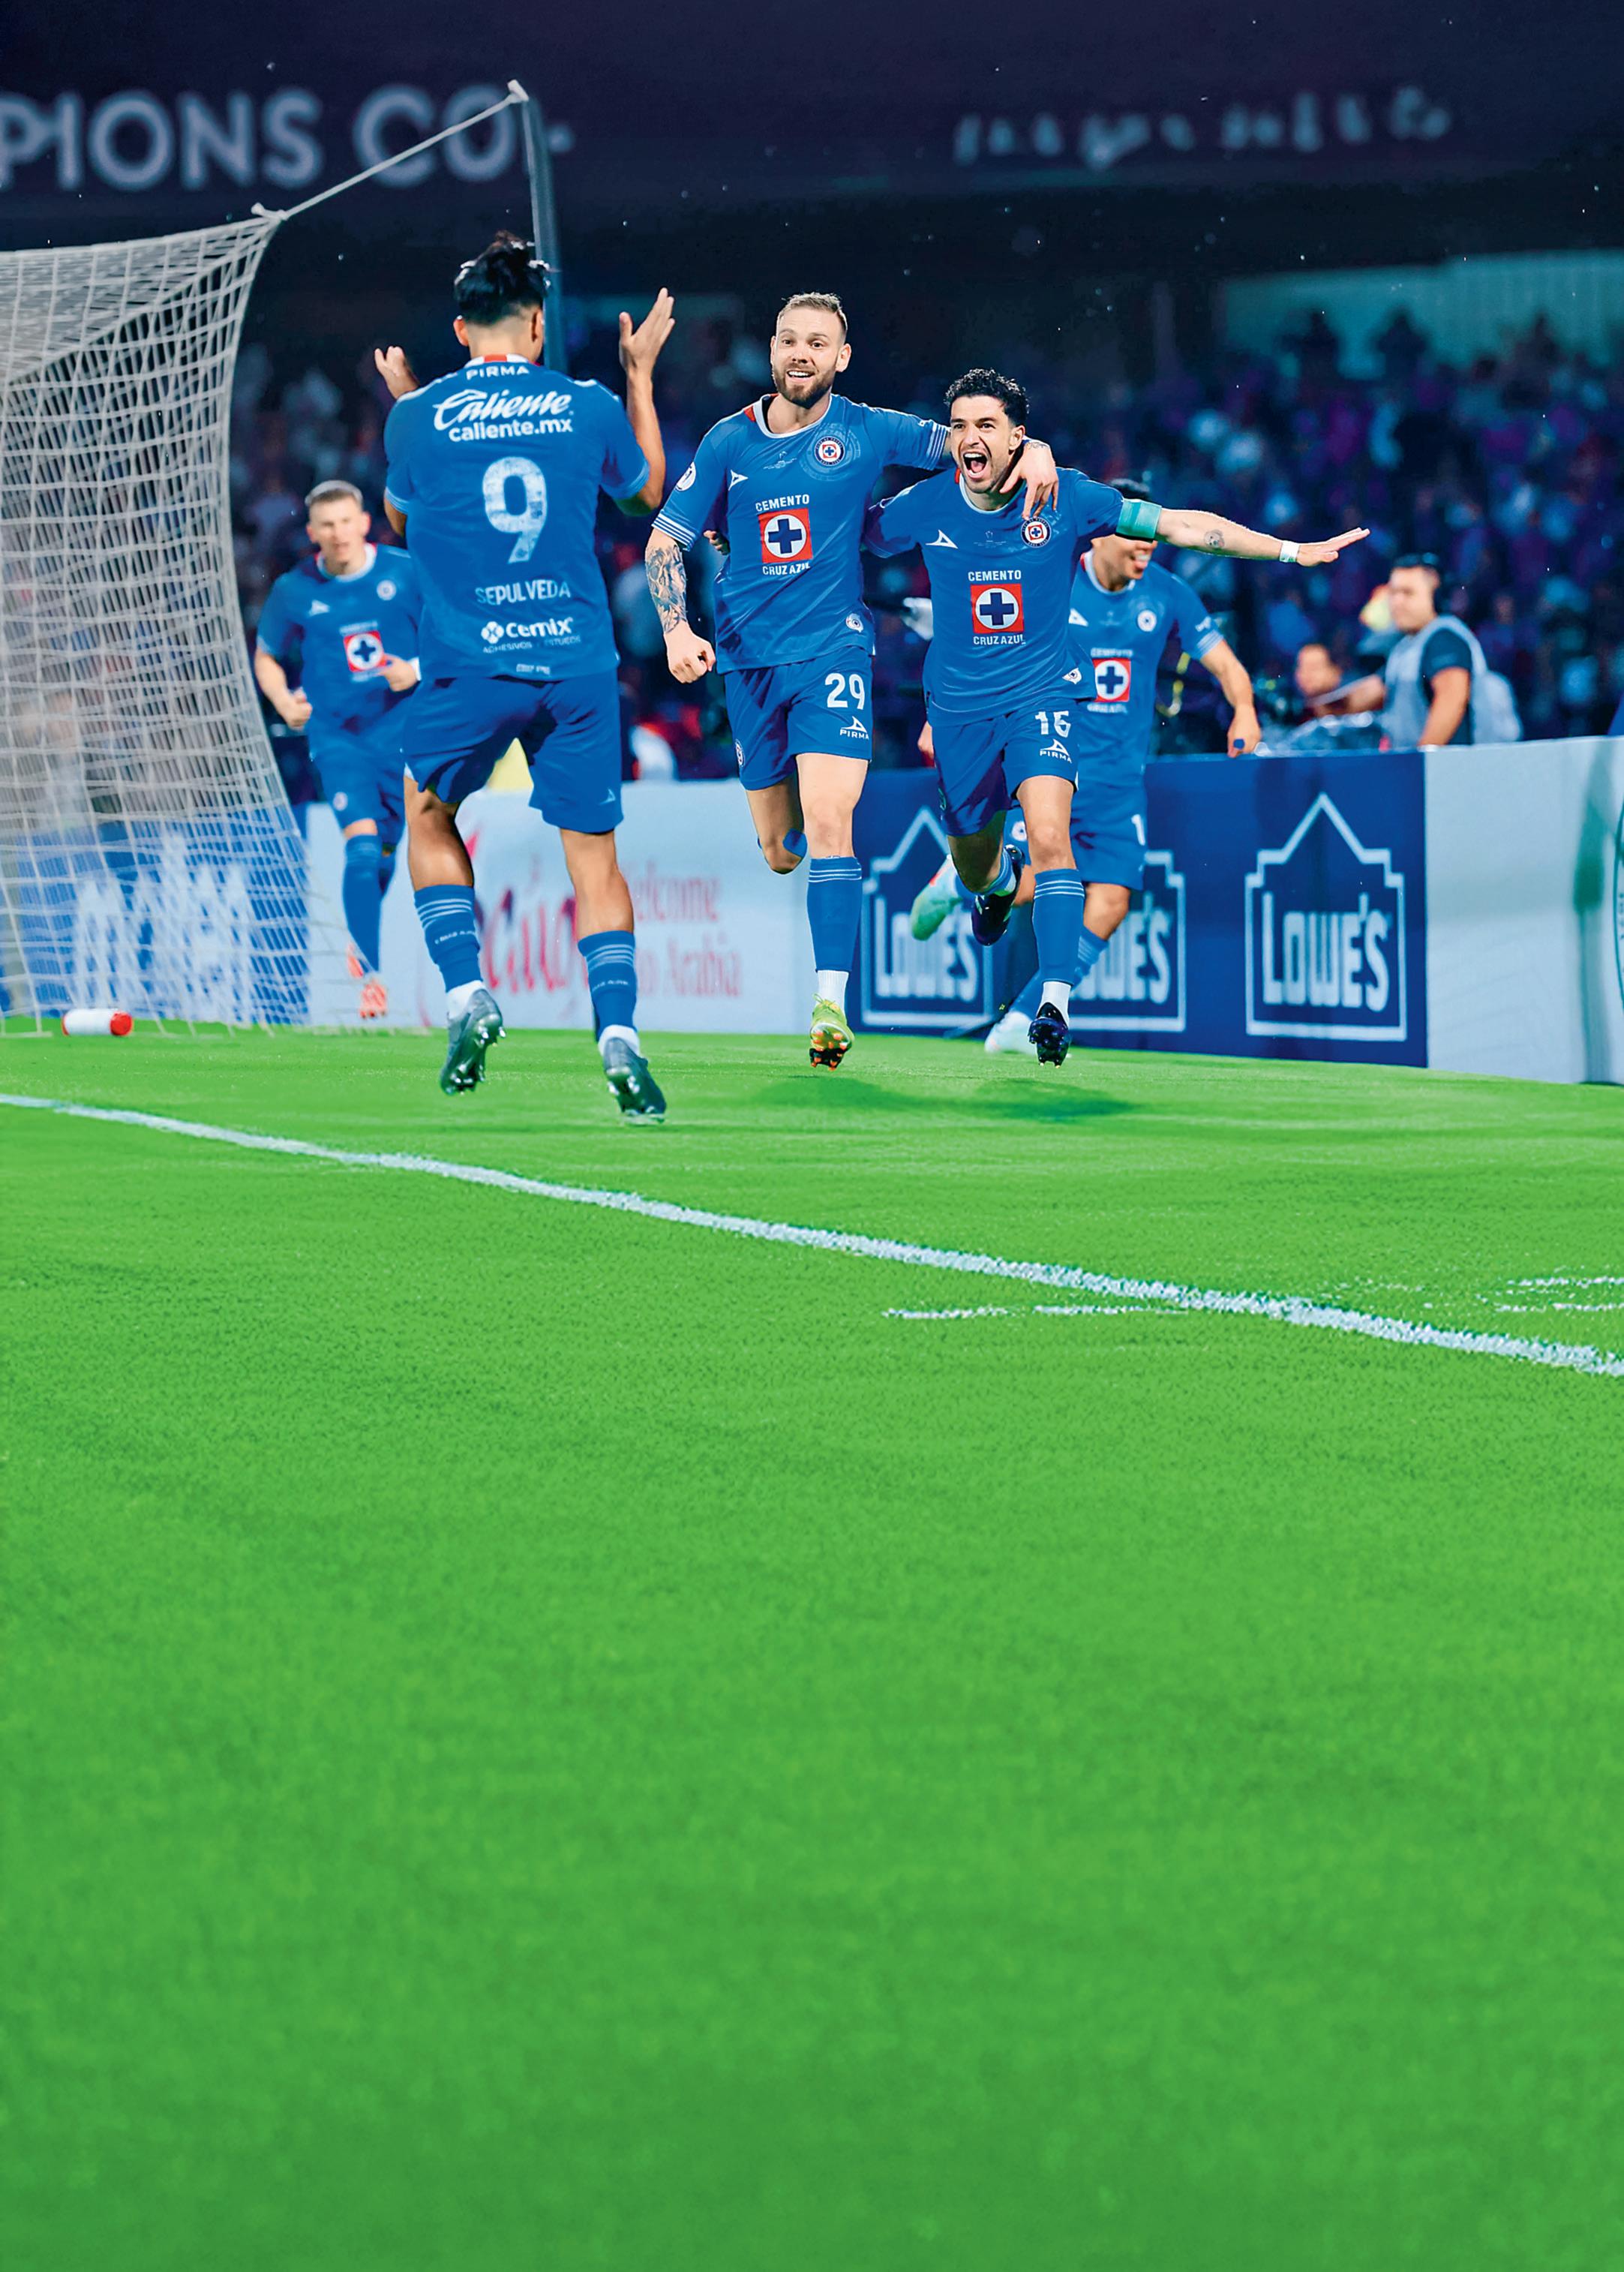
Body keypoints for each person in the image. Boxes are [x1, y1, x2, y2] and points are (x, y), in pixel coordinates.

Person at [865, 371, 1367, 1066]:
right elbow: (848, 539)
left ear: (1017, 436)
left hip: (1055, 722)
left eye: (987, 426)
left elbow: (1186, 527)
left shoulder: (1080, 511)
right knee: (990, 868)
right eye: (959, 427)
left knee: (1065, 857)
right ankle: (978, 884)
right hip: (965, 716)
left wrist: (1287, 550)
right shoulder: (934, 506)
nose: (969, 438)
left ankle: (1048, 1007)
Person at [642, 293, 1059, 1070]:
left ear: (841, 357)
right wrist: (675, 628)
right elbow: (663, 542)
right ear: (772, 350)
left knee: (833, 824)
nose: (801, 353)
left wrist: (1034, 451)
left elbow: (970, 443)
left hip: (833, 654)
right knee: (780, 851)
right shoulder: (728, 440)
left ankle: (828, 1004)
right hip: (747, 664)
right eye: (789, 340)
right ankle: (994, 876)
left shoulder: (868, 428)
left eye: (818, 342)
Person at [374, 235, 674, 1116]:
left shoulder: (417, 417)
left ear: (460, 329)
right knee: (594, 858)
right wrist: (638, 377)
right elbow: (645, 494)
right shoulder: (587, 405)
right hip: (575, 663)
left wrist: (410, 402)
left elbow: (402, 521)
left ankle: (468, 991)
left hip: (471, 662)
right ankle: (618, 1035)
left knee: (427, 814)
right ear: (537, 325)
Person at [905, 479, 1263, 1053]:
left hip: (1120, 781)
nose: (1145, 547)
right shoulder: (1051, 577)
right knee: (1033, 884)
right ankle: (961, 881)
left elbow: (1225, 665)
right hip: (1048, 766)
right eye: (1134, 537)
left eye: (1150, 539)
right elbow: (976, 641)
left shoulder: (1166, 594)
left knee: (1112, 900)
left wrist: (1243, 709)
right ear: (1097, 535)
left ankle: (1023, 1020)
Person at [254, 481, 422, 1018]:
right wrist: (284, 700)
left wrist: (416, 669)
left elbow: (450, 630)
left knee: (387, 852)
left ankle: (360, 932)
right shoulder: (294, 590)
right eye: (327, 525)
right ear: (313, 533)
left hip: (403, 735)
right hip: (338, 737)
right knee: (363, 849)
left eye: (346, 521)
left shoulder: (405, 572)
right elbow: (266, 656)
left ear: (364, 523)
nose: (338, 533)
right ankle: (372, 976)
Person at [1322, 554, 1517, 747]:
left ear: (1436, 597)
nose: (1397, 602)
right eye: (1393, 593)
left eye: (1408, 593)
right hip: (1419, 763)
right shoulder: (1408, 646)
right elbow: (1367, 694)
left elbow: (1451, 700)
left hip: (1443, 765)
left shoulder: (1445, 638)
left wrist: (1420, 759)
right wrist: (1311, 711)